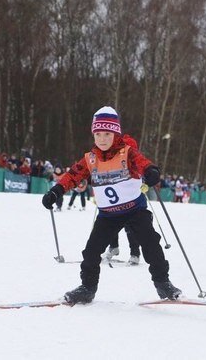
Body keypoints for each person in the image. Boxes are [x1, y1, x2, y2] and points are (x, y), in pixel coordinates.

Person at [42, 106, 181, 304]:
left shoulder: (127, 152)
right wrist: (56, 191)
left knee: (151, 245)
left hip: (135, 211)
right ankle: (87, 288)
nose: (102, 139)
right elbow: (73, 175)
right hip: (107, 216)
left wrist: (151, 170)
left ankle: (163, 283)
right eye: (98, 134)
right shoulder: (90, 159)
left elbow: (143, 162)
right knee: (91, 251)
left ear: (115, 133)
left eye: (107, 134)